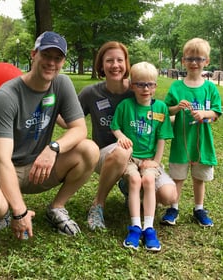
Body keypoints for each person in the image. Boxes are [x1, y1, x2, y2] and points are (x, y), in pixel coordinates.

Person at [0, 31, 99, 240]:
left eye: (58, 58)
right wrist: (20, 212)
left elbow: (79, 129)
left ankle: (56, 208)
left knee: (89, 150)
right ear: (34, 54)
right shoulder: (8, 94)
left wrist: (53, 149)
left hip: (37, 167)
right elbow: (2, 159)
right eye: (46, 55)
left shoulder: (62, 84)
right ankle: (5, 210)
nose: (51, 63)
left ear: (63, 61)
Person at [75, 42, 177, 231]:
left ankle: (129, 187)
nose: (115, 65)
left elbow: (154, 117)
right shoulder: (91, 93)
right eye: (109, 61)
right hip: (106, 155)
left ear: (126, 64)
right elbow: (71, 117)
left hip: (141, 156)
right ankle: (98, 205)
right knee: (123, 151)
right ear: (101, 65)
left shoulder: (137, 90)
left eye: (120, 60)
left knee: (168, 196)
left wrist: (181, 117)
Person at [110, 62, 173, 251]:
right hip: (130, 158)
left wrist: (156, 161)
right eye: (140, 84)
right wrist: (121, 137)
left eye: (150, 84)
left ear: (155, 86)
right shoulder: (125, 105)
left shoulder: (161, 108)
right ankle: (135, 226)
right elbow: (115, 126)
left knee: (148, 180)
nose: (145, 89)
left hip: (149, 159)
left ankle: (149, 228)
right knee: (135, 180)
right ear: (132, 85)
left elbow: (162, 138)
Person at [162, 38, 223, 227]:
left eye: (199, 59)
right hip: (181, 141)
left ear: (207, 61)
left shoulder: (210, 88)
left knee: (199, 178)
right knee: (178, 177)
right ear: (183, 61)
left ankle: (199, 208)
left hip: (202, 141)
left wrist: (204, 113)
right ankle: (173, 207)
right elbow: (166, 109)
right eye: (190, 59)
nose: (194, 63)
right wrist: (177, 108)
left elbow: (216, 112)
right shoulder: (177, 87)